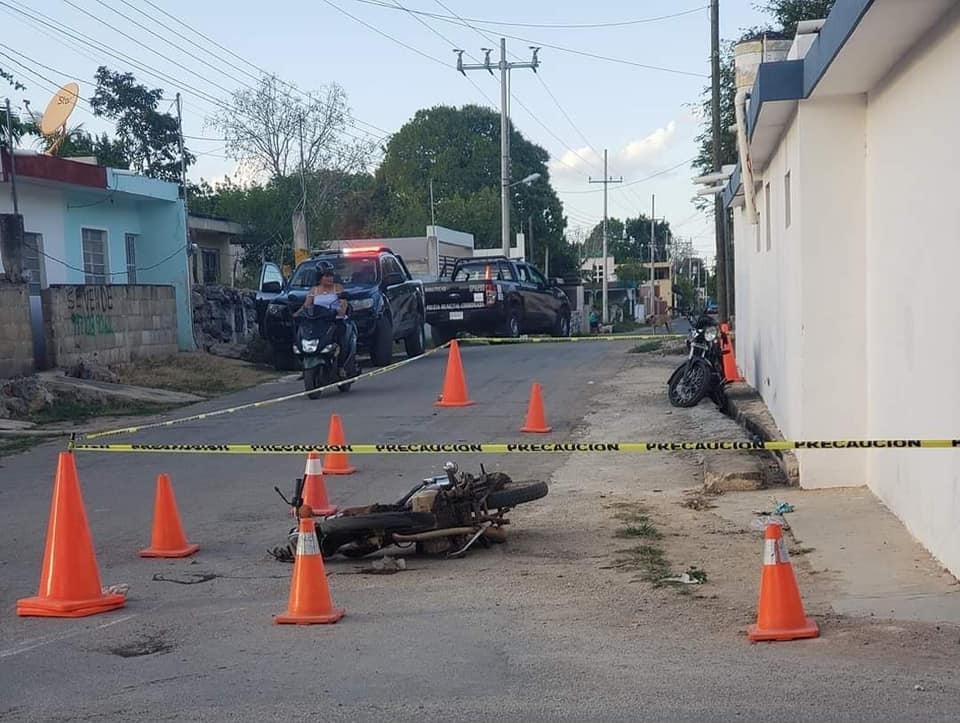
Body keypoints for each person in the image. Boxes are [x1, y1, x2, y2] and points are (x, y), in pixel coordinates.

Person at [298, 262, 354, 377]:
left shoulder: (337, 288)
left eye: (331, 275)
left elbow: (343, 304)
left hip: (335, 320)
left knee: (341, 336)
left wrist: (340, 311)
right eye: (326, 275)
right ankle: (306, 366)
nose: (329, 278)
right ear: (319, 277)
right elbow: (306, 306)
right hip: (319, 322)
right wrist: (296, 314)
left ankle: (341, 366)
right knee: (302, 335)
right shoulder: (313, 290)